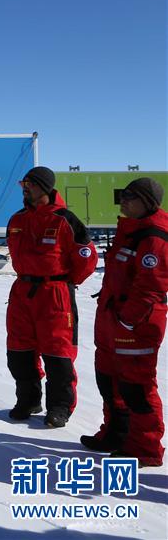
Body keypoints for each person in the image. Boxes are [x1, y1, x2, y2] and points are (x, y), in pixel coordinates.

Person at [81, 177, 167, 466]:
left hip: (136, 324)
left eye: (131, 196)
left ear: (148, 202)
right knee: (109, 381)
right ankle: (116, 434)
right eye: (123, 195)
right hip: (111, 320)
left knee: (136, 387)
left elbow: (151, 287)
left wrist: (128, 321)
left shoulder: (154, 237)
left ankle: (145, 448)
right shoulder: (129, 230)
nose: (124, 200)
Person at [6, 166, 98, 427]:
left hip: (55, 294)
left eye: (30, 183)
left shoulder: (65, 219)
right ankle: (28, 400)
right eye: (23, 183)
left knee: (58, 352)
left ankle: (59, 407)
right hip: (23, 291)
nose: (25, 188)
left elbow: (87, 257)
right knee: (18, 350)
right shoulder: (17, 220)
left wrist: (66, 282)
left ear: (44, 187)